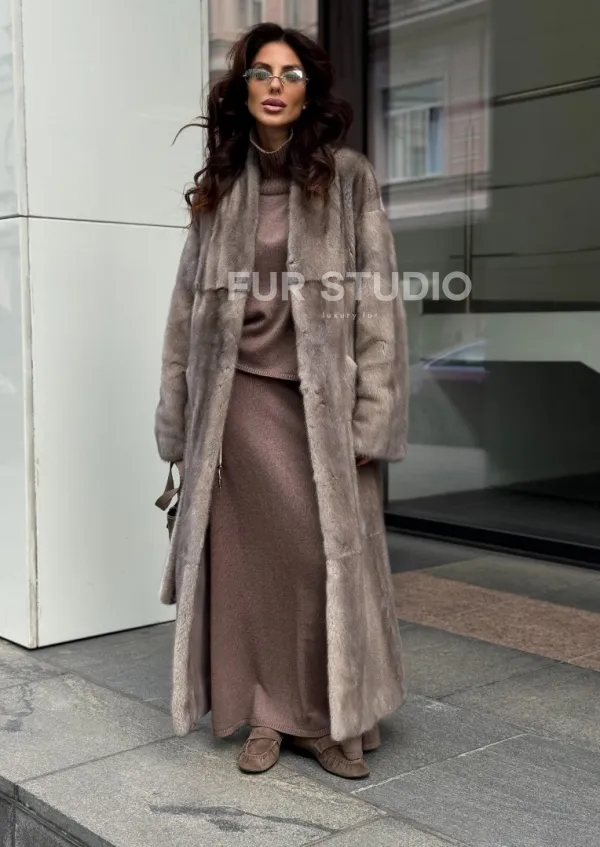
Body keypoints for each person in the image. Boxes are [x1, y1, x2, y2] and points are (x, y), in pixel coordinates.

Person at [155, 22, 408, 779]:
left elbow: (379, 305)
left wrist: (372, 414)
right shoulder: (221, 187)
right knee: (248, 567)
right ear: (243, 90)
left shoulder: (347, 177)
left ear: (308, 92)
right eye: (262, 73)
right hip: (234, 406)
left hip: (317, 409)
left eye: (290, 74)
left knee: (316, 562)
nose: (275, 85)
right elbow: (185, 310)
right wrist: (177, 415)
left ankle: (326, 719)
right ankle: (266, 714)